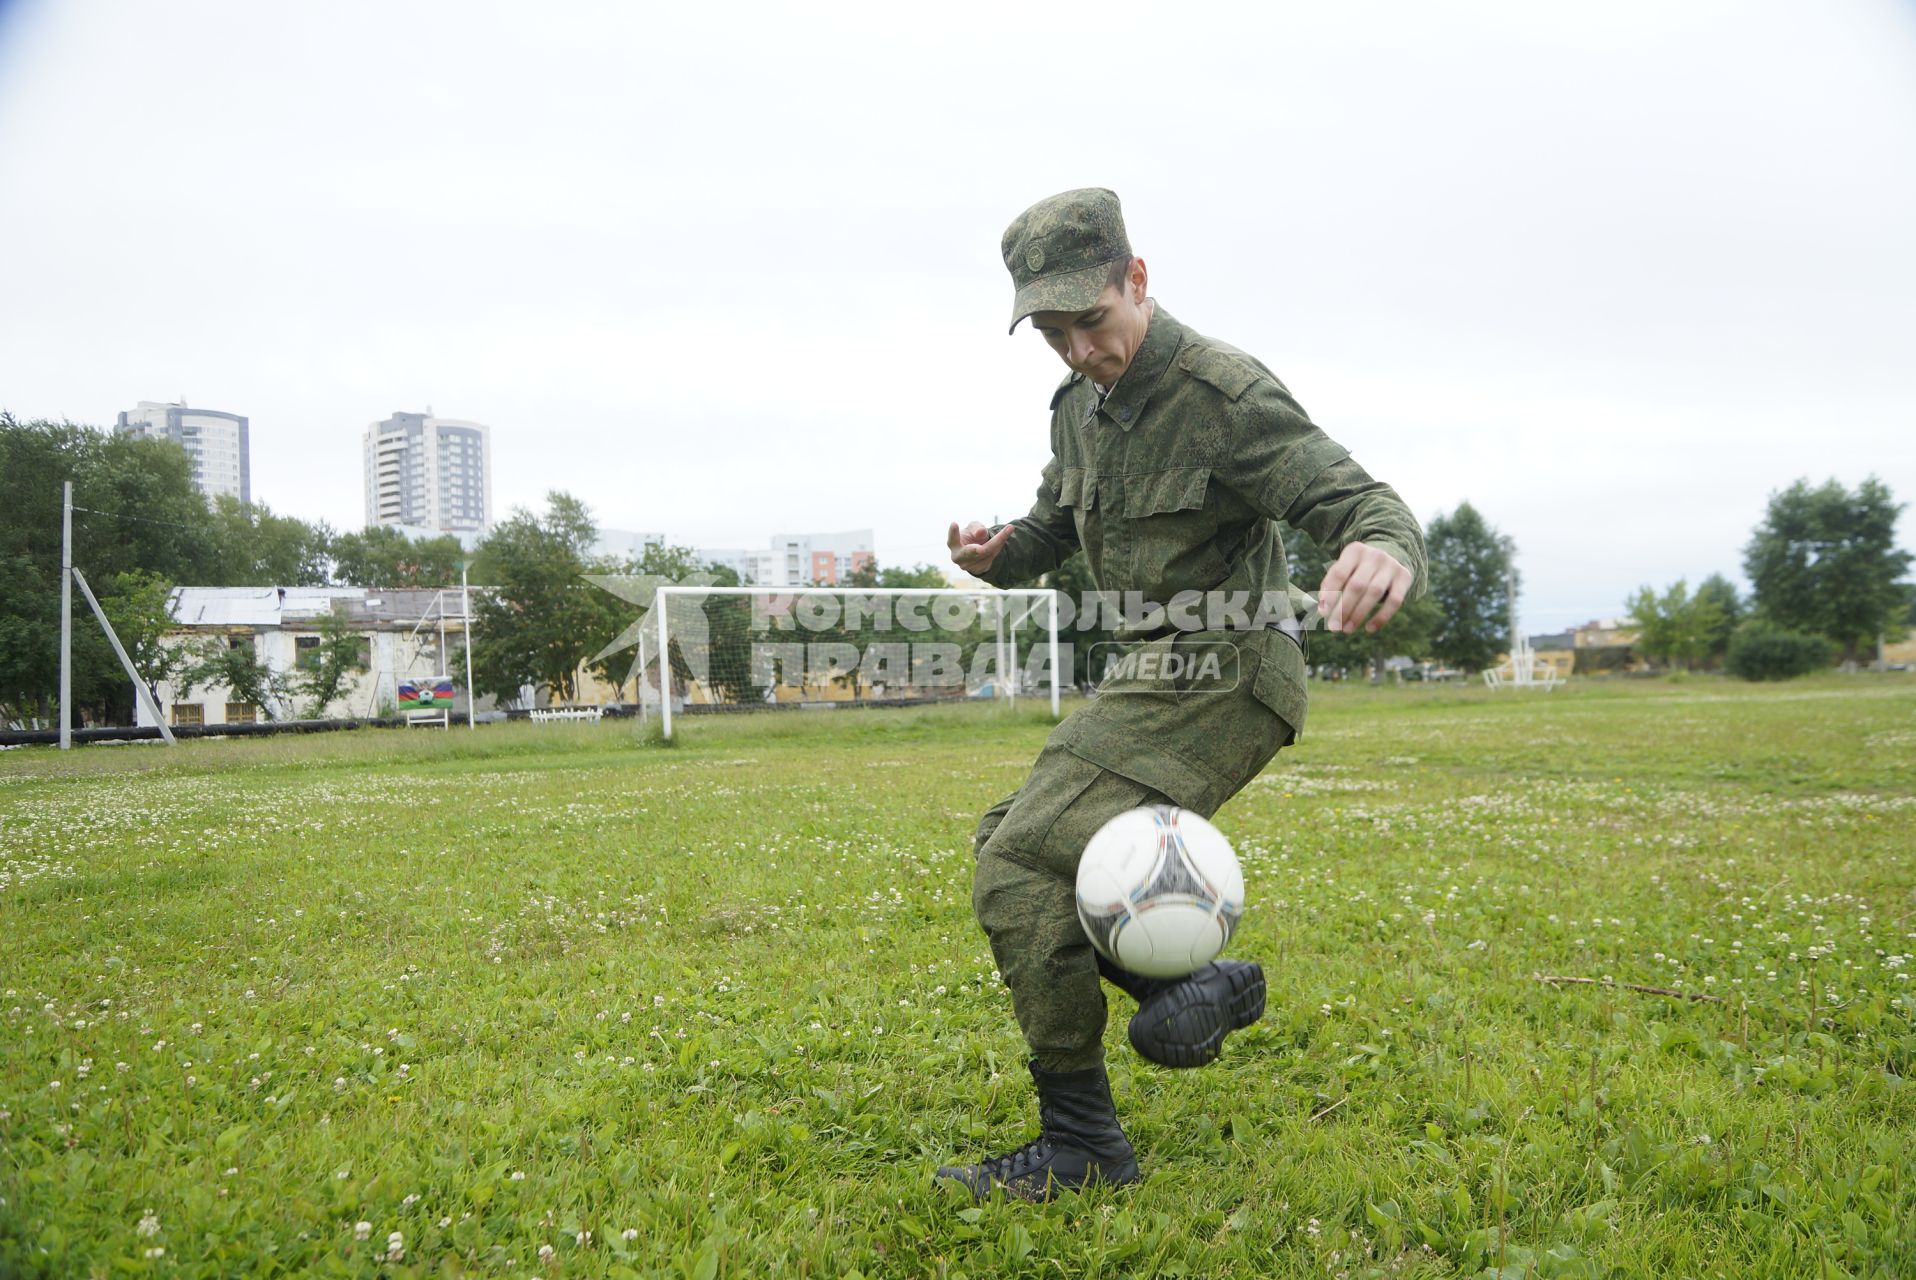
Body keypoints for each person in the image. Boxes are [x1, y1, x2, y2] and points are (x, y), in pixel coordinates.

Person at [936, 188, 1427, 1200]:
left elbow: (1361, 501)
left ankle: (1080, 1146)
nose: (1078, 350)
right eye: (1054, 333)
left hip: (1228, 669)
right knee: (1006, 839)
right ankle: (1184, 984)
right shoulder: (1077, 410)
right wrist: (996, 557)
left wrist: (1381, 548)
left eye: (1093, 322)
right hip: (1147, 672)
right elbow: (1050, 529)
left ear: (1137, 281)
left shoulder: (1223, 395)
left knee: (1022, 860)